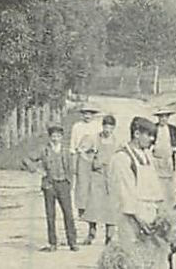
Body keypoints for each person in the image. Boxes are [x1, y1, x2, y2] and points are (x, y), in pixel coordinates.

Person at [111, 116, 169, 269]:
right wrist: (137, 216)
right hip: (131, 216)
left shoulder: (146, 156)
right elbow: (125, 191)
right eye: (149, 135)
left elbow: (154, 186)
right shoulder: (122, 158)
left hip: (149, 212)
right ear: (136, 134)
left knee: (152, 262)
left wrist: (160, 209)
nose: (152, 140)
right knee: (129, 260)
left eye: (154, 136)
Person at [26, 123, 79, 251]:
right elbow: (27, 159)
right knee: (50, 215)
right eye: (53, 136)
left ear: (61, 137)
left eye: (58, 136)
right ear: (49, 137)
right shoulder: (44, 150)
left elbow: (71, 168)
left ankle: (72, 242)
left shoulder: (66, 151)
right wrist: (37, 170)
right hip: (49, 185)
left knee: (68, 214)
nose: (55, 138)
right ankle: (52, 243)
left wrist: (69, 182)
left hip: (63, 184)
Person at [83, 114, 121, 244]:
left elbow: (122, 156)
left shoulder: (117, 141)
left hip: (111, 177)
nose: (107, 130)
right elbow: (81, 150)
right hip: (97, 175)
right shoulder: (95, 139)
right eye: (105, 126)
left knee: (111, 206)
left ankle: (109, 236)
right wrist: (92, 161)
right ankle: (91, 234)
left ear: (114, 128)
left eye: (110, 127)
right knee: (94, 204)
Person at [69, 104, 103, 235]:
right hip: (81, 157)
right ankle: (82, 212)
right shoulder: (77, 126)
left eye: (90, 113)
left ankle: (93, 216)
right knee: (82, 186)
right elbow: (73, 145)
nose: (87, 116)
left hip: (93, 157)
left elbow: (100, 143)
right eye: (85, 113)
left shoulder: (97, 126)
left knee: (94, 186)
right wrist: (73, 163)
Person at [151, 107, 176, 185]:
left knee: (168, 179)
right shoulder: (153, 128)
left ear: (168, 118)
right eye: (161, 117)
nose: (163, 119)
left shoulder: (172, 129)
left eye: (165, 116)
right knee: (156, 179)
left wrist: (175, 148)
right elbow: (149, 142)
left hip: (168, 158)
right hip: (156, 158)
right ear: (158, 118)